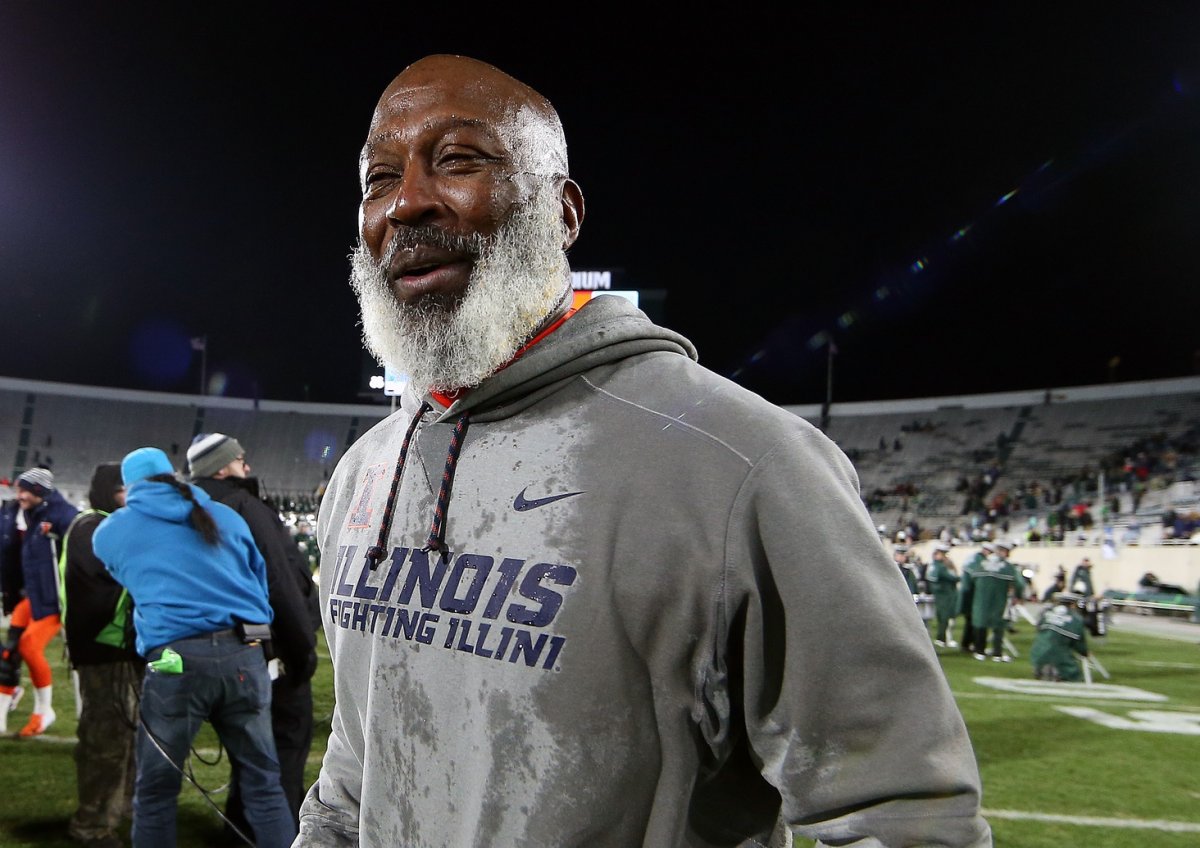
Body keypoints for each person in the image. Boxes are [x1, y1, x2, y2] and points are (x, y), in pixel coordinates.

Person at [296, 54, 990, 847]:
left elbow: (902, 816)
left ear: (563, 213)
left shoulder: (745, 464)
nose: (408, 202)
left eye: (458, 159)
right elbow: (354, 771)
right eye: (378, 179)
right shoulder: (363, 474)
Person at [93, 448, 296, 848]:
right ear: (173, 475)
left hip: (174, 660)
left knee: (155, 790)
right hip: (246, 651)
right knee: (264, 786)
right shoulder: (224, 516)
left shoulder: (114, 529)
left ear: (130, 486)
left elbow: (122, 573)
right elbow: (259, 582)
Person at [186, 432, 321, 830]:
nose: (247, 463)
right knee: (282, 743)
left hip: (214, 648)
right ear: (222, 466)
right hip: (265, 645)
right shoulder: (245, 506)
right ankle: (272, 832)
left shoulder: (186, 508)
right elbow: (279, 584)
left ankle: (240, 822)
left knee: (248, 746)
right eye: (239, 458)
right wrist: (301, 652)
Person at [61, 462, 144, 848]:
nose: (131, 498)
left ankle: (119, 808)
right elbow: (116, 572)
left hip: (123, 650)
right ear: (108, 493)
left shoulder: (105, 525)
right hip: (103, 651)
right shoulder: (90, 527)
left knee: (126, 738)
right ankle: (91, 825)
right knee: (105, 742)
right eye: (124, 491)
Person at [0, 467, 78, 735]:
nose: (19, 495)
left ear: (40, 492)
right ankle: (2, 714)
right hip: (31, 595)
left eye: (25, 490)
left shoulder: (62, 515)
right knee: (9, 652)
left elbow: (78, 548)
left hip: (52, 598)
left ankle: (44, 710)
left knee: (30, 647)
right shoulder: (28, 513)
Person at [970, 539, 1025, 662]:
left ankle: (979, 651)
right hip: (998, 599)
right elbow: (1020, 584)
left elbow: (972, 579)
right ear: (1005, 552)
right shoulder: (1008, 567)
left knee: (980, 623)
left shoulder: (982, 563)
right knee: (998, 625)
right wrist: (1018, 596)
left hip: (980, 599)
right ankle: (997, 652)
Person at [1030, 591, 1090, 681]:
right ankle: (1057, 672)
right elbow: (1080, 645)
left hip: (1037, 654)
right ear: (1073, 604)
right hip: (1059, 657)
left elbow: (1039, 629)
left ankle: (1041, 669)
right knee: (1074, 676)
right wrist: (1085, 652)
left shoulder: (1046, 613)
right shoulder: (1076, 619)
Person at [957, 539, 993, 654]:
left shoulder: (972, 558)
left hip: (967, 592)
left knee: (970, 621)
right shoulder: (980, 561)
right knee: (973, 620)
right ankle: (969, 644)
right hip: (971, 594)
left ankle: (966, 644)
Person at [928, 542, 961, 647]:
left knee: (942, 617)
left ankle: (941, 638)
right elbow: (952, 578)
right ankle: (942, 638)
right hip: (945, 594)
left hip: (939, 594)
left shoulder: (933, 565)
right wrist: (961, 578)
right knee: (945, 618)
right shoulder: (941, 567)